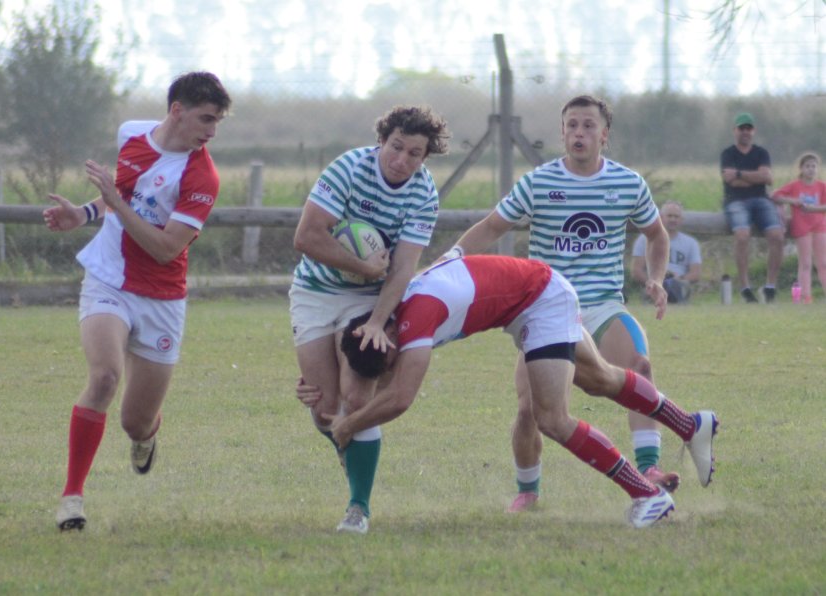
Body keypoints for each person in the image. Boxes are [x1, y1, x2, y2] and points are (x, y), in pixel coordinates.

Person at [323, 255, 718, 529]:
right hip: (535, 292)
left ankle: (646, 495)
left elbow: (400, 397)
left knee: (552, 419)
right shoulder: (393, 319)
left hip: (541, 301)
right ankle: (690, 424)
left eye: (391, 360)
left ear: (390, 333)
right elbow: (389, 383)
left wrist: (348, 425)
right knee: (601, 379)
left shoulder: (417, 318)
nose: (393, 366)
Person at [445, 95, 683, 513]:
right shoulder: (538, 183)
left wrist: (657, 278)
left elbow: (656, 235)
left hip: (603, 305)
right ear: (562, 132)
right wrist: (452, 260)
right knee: (529, 410)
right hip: (548, 311)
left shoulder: (627, 183)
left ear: (604, 134)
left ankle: (649, 469)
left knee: (640, 366)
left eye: (588, 125)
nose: (579, 133)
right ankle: (528, 491)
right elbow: (493, 226)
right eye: (572, 125)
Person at [42, 72, 232, 531]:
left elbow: (166, 248)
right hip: (108, 279)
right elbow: (121, 194)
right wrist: (84, 213)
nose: (212, 131)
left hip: (162, 298)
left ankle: (146, 436)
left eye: (218, 122)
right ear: (177, 110)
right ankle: (72, 498)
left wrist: (114, 202)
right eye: (206, 119)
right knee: (105, 377)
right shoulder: (131, 135)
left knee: (135, 421)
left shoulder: (202, 176)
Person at [290, 105, 450, 534]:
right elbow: (306, 236)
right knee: (326, 408)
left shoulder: (423, 193)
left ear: (425, 157)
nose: (401, 160)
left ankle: (358, 508)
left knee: (358, 400)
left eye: (414, 153)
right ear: (382, 140)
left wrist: (378, 322)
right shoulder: (349, 168)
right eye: (396, 147)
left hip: (370, 298)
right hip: (315, 292)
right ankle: (346, 442)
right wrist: (362, 266)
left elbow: (403, 268)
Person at [720, 111, 784, 303]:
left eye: (749, 128)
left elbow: (768, 179)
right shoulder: (728, 154)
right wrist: (755, 177)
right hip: (735, 201)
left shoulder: (761, 153)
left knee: (777, 236)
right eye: (742, 128)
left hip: (761, 200)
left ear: (753, 131)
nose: (745, 132)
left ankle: (770, 286)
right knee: (742, 235)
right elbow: (731, 181)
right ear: (735, 130)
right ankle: (745, 287)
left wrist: (739, 174)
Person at [771, 152, 826, 303]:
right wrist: (793, 201)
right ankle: (805, 296)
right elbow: (775, 196)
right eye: (807, 166)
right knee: (805, 263)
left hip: (820, 226)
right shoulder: (795, 186)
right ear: (801, 168)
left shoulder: (822, 186)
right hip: (802, 228)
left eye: (814, 166)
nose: (811, 169)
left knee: (823, 263)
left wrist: (813, 209)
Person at [631, 200, 702, 304]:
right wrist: (652, 282)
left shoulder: (691, 243)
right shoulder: (644, 239)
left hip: (679, 283)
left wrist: (680, 279)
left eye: (676, 217)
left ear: (681, 220)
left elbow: (696, 273)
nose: (673, 219)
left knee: (675, 286)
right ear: (660, 217)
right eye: (669, 216)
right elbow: (636, 271)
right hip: (654, 283)